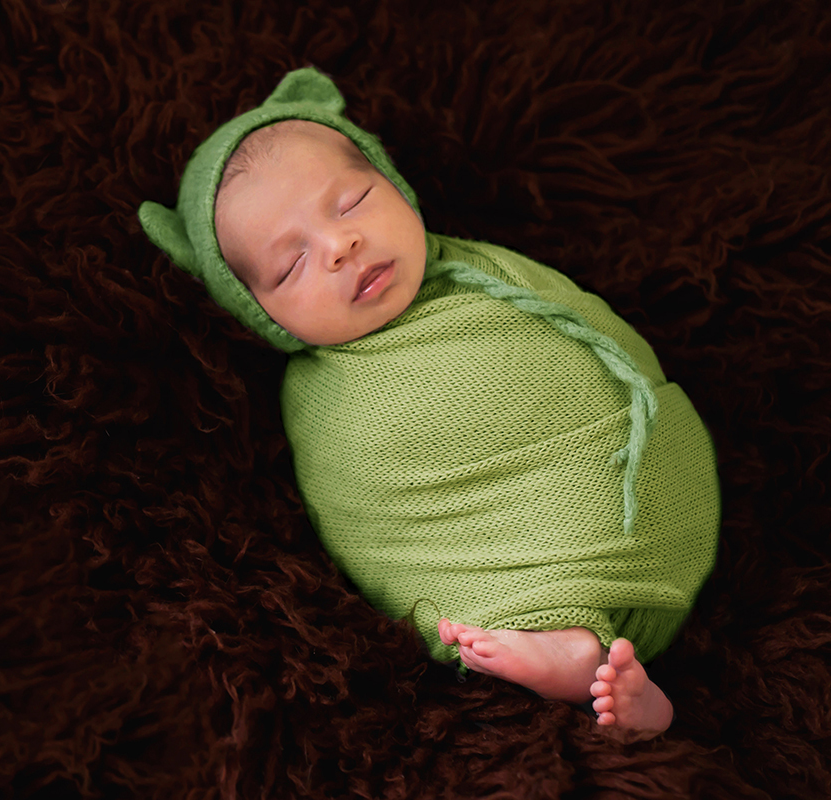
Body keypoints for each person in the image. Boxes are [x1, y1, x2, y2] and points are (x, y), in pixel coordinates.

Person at [139, 68, 720, 741]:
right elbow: (370, 522)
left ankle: (591, 654)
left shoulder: (482, 270)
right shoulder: (320, 401)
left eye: (352, 202)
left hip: (647, 497)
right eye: (291, 265)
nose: (339, 246)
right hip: (507, 576)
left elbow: (596, 339)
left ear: (393, 182)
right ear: (258, 311)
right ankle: (599, 672)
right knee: (488, 618)